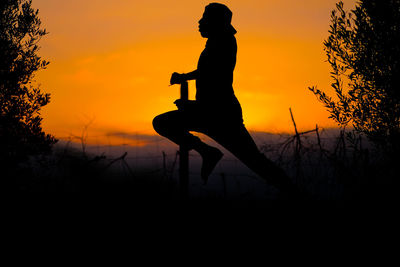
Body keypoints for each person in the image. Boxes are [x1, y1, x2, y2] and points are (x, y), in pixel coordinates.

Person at [153, 3, 299, 196]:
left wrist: (191, 105)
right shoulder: (218, 41)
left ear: (215, 22)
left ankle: (296, 194)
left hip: (220, 115)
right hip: (211, 113)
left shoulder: (223, 42)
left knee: (255, 161)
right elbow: (207, 72)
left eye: (204, 18)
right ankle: (207, 152)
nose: (199, 21)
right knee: (163, 123)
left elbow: (215, 76)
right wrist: (184, 77)